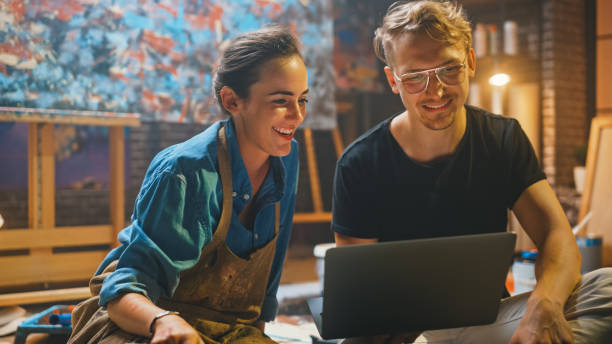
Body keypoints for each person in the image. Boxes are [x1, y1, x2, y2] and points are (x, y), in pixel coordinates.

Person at [331, 1, 612, 343]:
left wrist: (544, 304)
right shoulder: (360, 163)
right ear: (394, 80)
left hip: (487, 322)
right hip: (406, 335)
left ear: (471, 62)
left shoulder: (502, 138)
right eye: (415, 78)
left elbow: (557, 235)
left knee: (607, 286)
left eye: (449, 69)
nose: (435, 91)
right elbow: (357, 301)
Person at [68, 26, 309, 344]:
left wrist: (258, 331)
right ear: (232, 100)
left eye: (302, 100)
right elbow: (122, 291)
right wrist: (163, 322)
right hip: (144, 325)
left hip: (227, 331)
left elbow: (269, 275)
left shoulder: (286, 157)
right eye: (281, 101)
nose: (297, 115)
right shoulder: (185, 172)